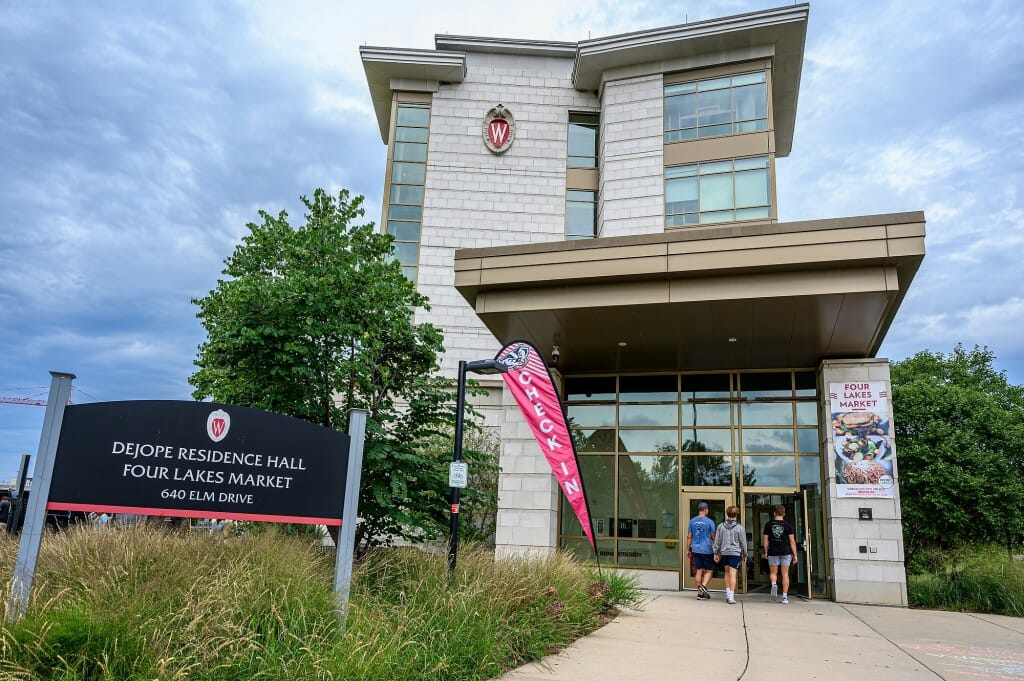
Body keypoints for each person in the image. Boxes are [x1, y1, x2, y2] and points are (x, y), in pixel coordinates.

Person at [762, 504, 798, 604]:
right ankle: (785, 597)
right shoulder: (788, 525)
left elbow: (765, 540)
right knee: (785, 574)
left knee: (773, 573)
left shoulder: (768, 524)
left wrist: (766, 551)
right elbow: (792, 542)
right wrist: (795, 555)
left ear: (774, 513)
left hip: (773, 551)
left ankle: (774, 584)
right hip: (786, 552)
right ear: (784, 514)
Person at [713, 505, 747, 604]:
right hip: (735, 553)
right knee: (733, 574)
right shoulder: (740, 528)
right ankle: (731, 596)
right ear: (736, 514)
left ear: (727, 514)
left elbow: (717, 541)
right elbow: (743, 542)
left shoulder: (720, 526)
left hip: (724, 553)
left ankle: (728, 594)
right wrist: (745, 554)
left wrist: (716, 552)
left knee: (727, 573)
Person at [687, 501, 717, 600]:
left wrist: (688, 549)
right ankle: (703, 587)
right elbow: (713, 536)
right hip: (707, 550)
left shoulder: (692, 521)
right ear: (705, 510)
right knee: (709, 570)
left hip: (695, 549)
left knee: (699, 570)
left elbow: (689, 536)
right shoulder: (710, 522)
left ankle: (700, 594)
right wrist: (716, 549)